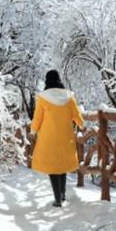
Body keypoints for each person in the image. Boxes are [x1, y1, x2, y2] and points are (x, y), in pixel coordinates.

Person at [30, 69, 84, 206]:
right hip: (66, 135)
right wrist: (82, 126)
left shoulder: (43, 98)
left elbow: (37, 118)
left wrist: (33, 131)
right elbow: (76, 115)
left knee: (53, 166)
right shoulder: (68, 97)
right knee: (62, 164)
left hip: (49, 136)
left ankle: (58, 199)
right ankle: (63, 194)